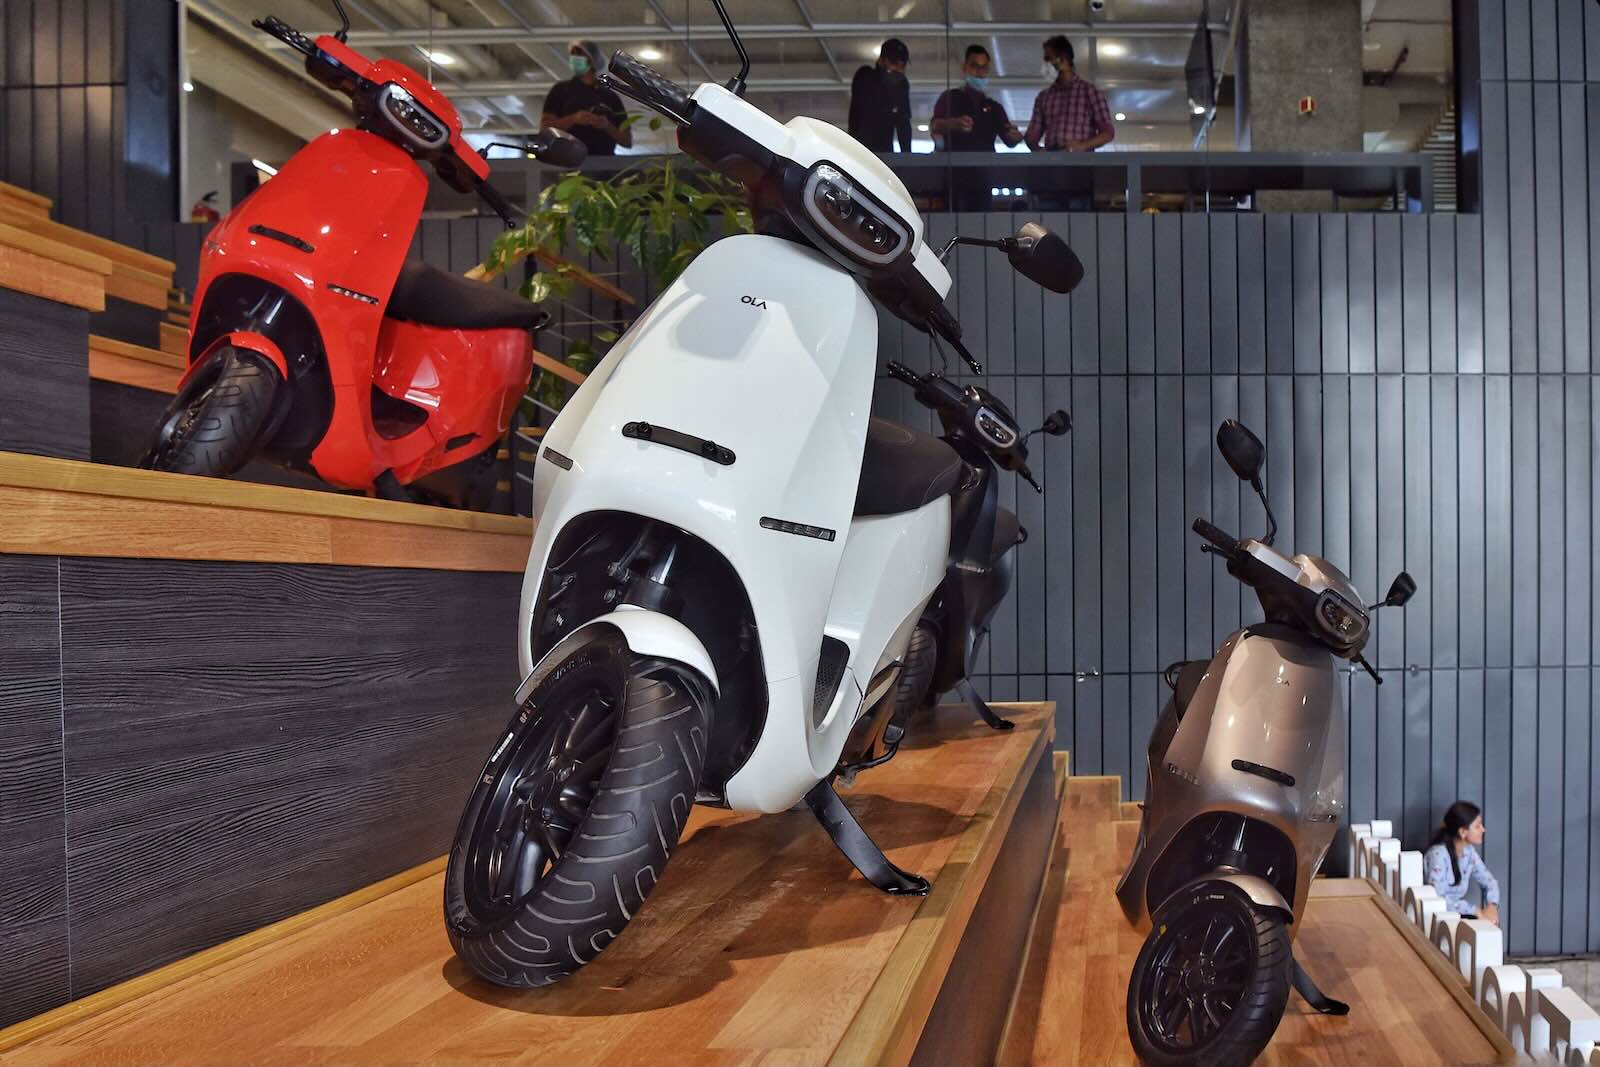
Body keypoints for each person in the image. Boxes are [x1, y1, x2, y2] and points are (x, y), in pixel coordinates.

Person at [1024, 34, 1116, 153]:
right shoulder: (1044, 97)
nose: (1045, 63)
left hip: (1081, 162)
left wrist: (1083, 146)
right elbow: (1033, 134)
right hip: (1052, 162)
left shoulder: (1090, 92)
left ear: (1062, 59)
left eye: (1048, 58)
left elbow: (1107, 133)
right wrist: (1035, 147)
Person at [540, 40, 632, 158]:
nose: (575, 58)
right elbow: (545, 129)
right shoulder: (561, 90)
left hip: (604, 164)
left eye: (580, 54)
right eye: (573, 55)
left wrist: (607, 126)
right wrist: (573, 119)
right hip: (568, 160)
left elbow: (627, 141)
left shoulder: (610, 96)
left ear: (593, 59)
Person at [930, 45, 1023, 152]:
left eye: (984, 67)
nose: (979, 71)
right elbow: (935, 126)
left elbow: (1009, 140)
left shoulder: (994, 108)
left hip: (985, 165)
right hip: (956, 165)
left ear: (988, 70)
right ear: (964, 68)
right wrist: (954, 124)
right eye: (975, 66)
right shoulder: (950, 97)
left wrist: (1015, 136)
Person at [1423, 801, 1501, 925]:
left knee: (1489, 923)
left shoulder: (1468, 852)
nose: (1483, 829)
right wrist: (1474, 911)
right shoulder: (1438, 854)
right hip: (1434, 919)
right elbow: (1438, 897)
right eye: (1477, 826)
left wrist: (1492, 906)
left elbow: (1489, 881)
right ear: (1463, 832)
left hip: (1456, 917)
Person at [848, 39, 912, 153]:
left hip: (884, 152)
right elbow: (863, 116)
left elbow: (903, 123)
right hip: (862, 150)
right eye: (894, 63)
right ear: (882, 60)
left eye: (902, 65)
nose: (898, 69)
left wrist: (907, 156)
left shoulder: (901, 84)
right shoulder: (865, 77)